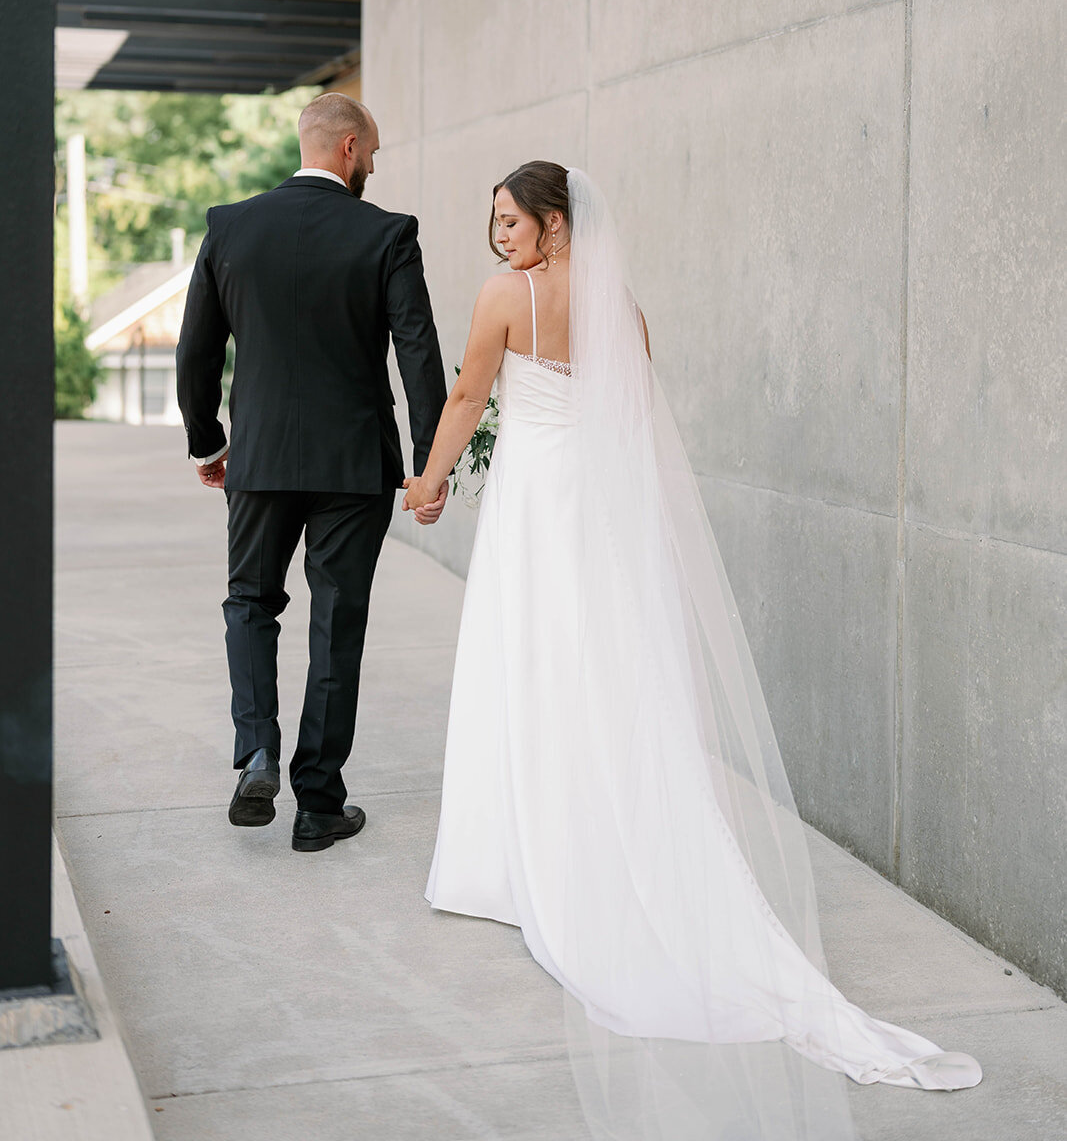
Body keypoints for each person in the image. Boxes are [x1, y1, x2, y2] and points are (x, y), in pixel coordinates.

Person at [401, 161, 982, 1141]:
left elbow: (466, 392)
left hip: (536, 507)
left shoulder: (508, 297)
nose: (498, 237)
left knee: (528, 660)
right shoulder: (616, 302)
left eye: (509, 221)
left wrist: (428, 481)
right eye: (492, 224)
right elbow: (634, 407)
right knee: (598, 668)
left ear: (551, 221)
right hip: (594, 503)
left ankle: (508, 858)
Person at [176, 93, 449, 854]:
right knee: (337, 624)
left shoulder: (230, 225)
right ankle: (318, 805)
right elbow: (416, 351)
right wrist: (429, 463)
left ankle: (257, 750)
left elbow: (195, 348)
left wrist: (209, 443)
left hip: (259, 459)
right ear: (350, 147)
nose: (373, 168)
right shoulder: (387, 233)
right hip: (354, 465)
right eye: (374, 154)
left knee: (249, 603)